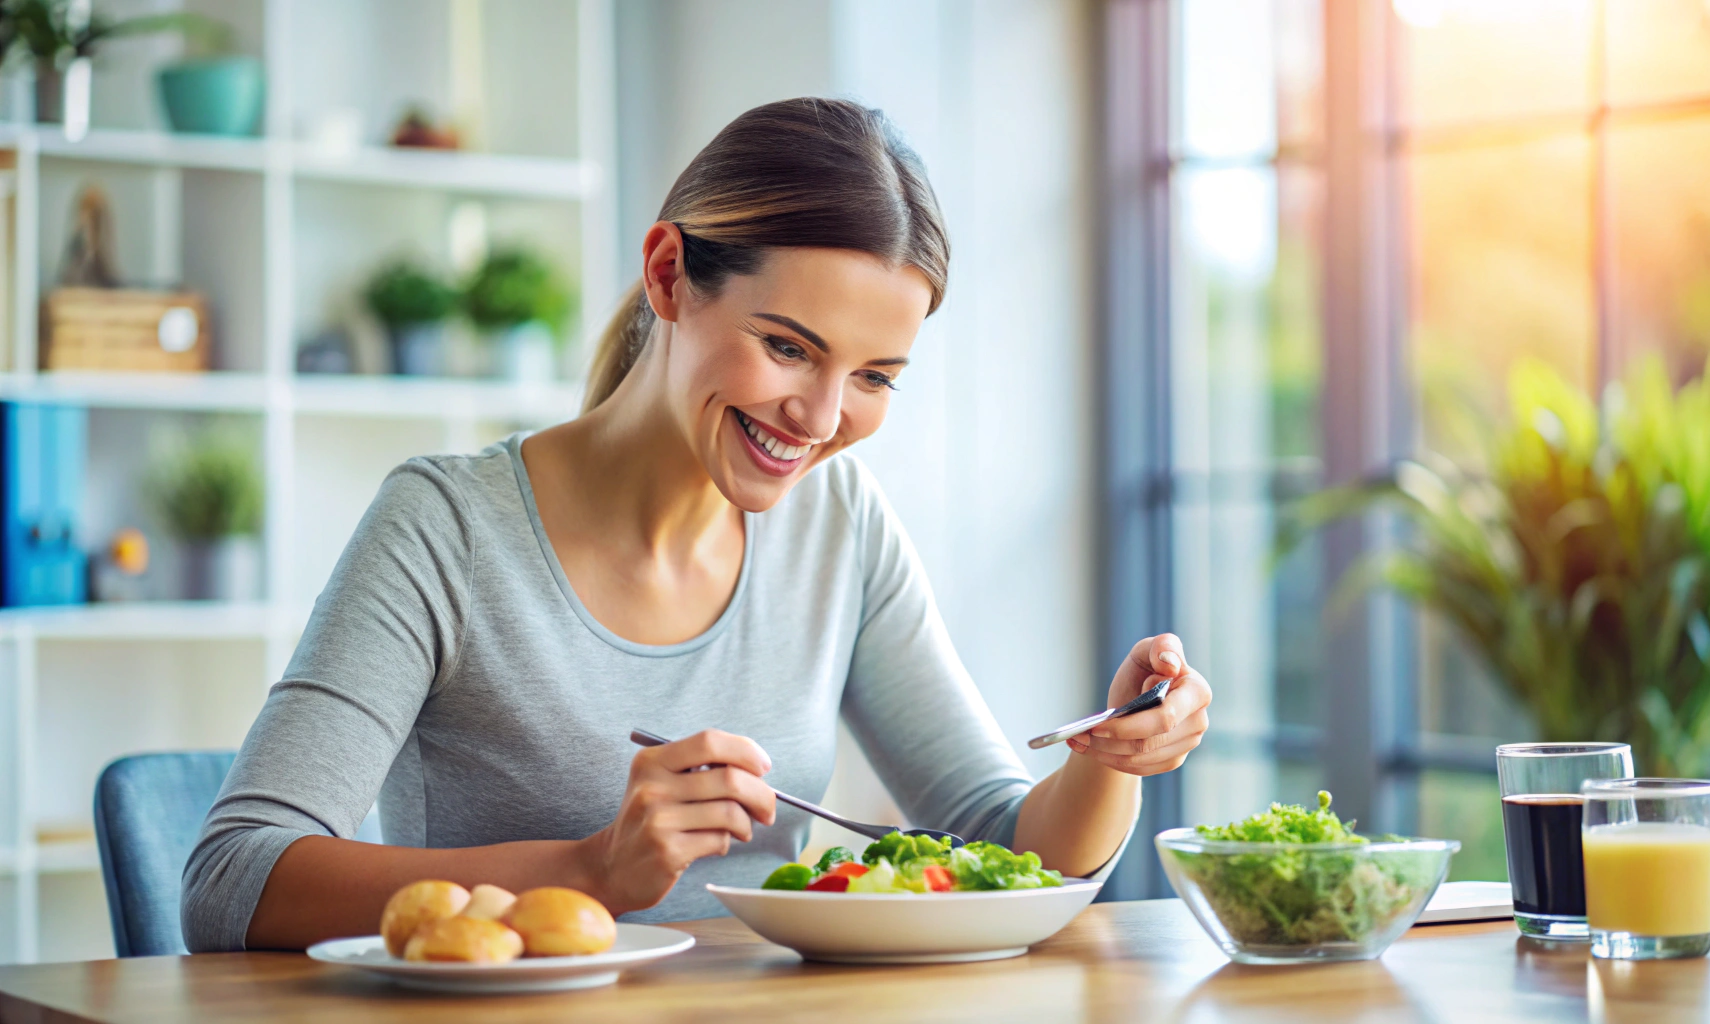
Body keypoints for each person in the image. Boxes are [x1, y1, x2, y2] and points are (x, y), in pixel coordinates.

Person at [181, 98, 1211, 952]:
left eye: (872, 378)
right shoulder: (446, 527)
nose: (818, 417)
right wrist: (589, 869)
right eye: (787, 346)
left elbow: (1004, 844)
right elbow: (233, 880)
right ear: (668, 273)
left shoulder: (838, 525)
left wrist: (1103, 759)